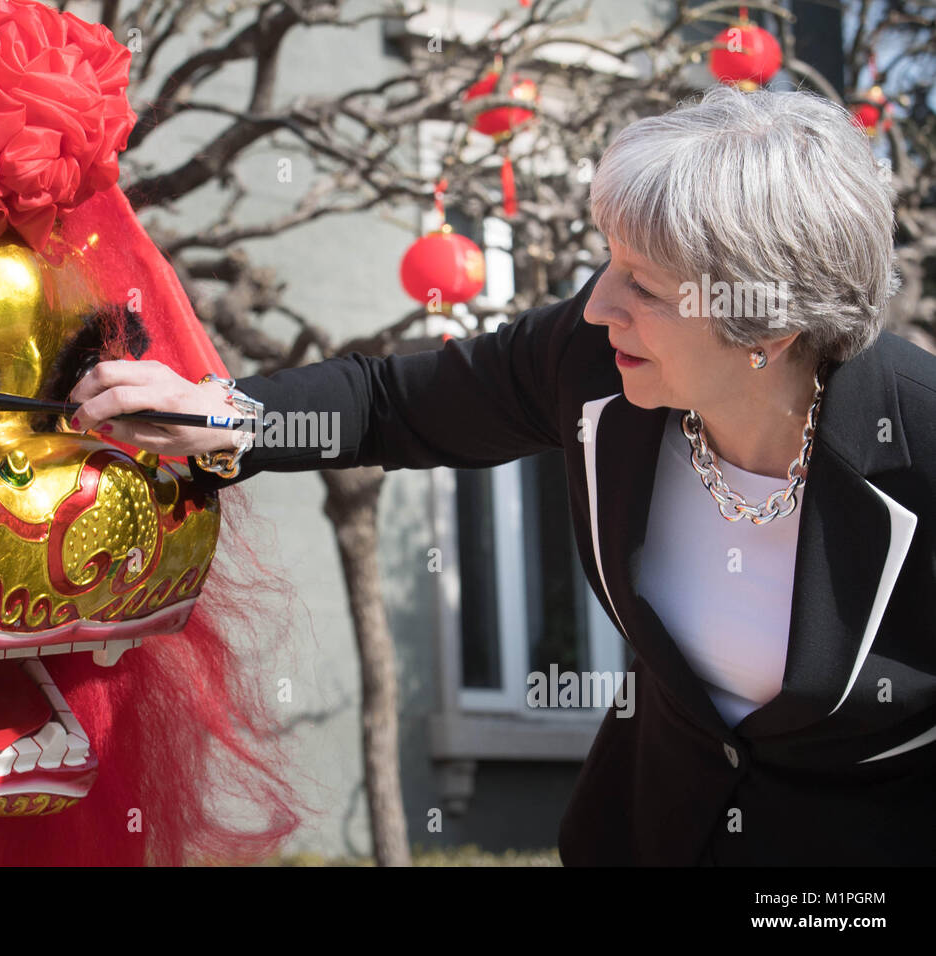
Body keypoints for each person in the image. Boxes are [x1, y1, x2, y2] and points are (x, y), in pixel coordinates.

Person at [67, 84, 936, 866]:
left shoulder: (919, 441)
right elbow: (389, 405)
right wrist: (230, 416)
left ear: (767, 331)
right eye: (609, 261)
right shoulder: (592, 362)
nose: (598, 304)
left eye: (643, 284)